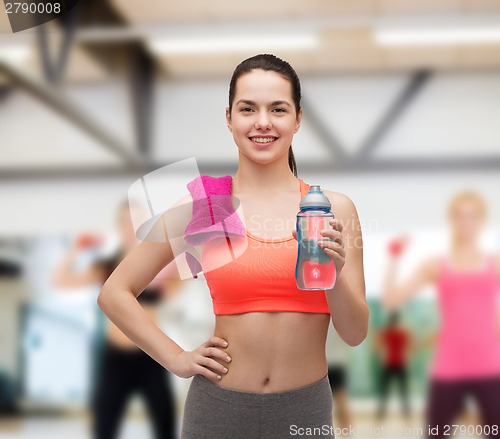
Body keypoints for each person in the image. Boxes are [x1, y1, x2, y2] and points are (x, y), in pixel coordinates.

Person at [97, 54, 368, 439]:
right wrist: (176, 357)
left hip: (304, 411)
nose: (262, 122)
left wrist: (335, 277)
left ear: (298, 118)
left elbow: (355, 332)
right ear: (229, 118)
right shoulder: (207, 204)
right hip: (218, 410)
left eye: (278, 109)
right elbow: (115, 292)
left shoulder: (332, 209)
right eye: (247, 109)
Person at [52, 201, 178, 439]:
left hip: (151, 356)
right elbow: (61, 280)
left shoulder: (158, 266)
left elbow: (179, 286)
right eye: (125, 222)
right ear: (118, 226)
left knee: (164, 424)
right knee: (104, 426)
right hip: (116, 358)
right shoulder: (106, 265)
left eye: (137, 222)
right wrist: (75, 249)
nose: (131, 227)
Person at [382, 191, 500, 439]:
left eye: (473, 216)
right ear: (452, 220)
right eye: (460, 216)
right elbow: (392, 299)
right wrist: (394, 259)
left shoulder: (495, 263)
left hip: (490, 366)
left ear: (482, 220)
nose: (466, 222)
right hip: (449, 367)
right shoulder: (435, 265)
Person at [376, 311, 411, 419]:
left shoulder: (386, 333)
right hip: (401, 363)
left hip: (389, 363)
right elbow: (409, 347)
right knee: (403, 390)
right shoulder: (403, 333)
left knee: (385, 390)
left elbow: (377, 345)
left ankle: (381, 413)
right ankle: (406, 412)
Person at [326, 325, 352, 429]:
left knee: (339, 401)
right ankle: (347, 433)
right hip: (337, 361)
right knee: (341, 400)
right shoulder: (338, 318)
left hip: (324, 362)